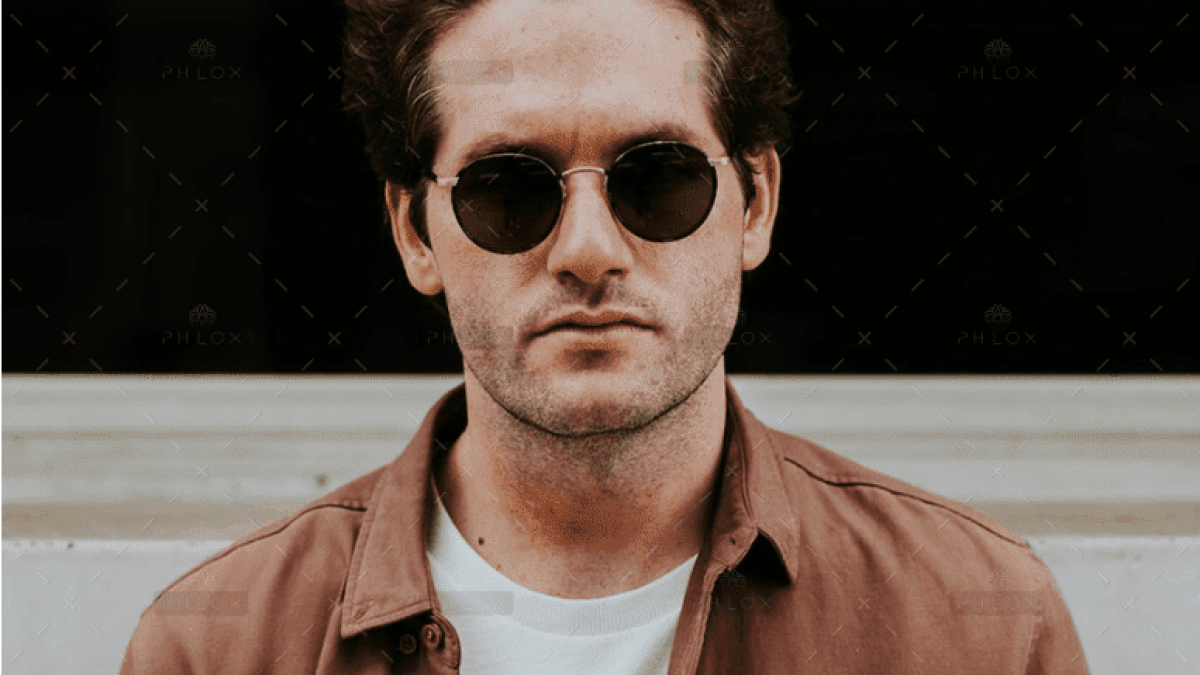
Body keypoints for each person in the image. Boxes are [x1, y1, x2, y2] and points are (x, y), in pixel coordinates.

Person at [119, 0, 1091, 672]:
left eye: (658, 177)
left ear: (756, 203)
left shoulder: (977, 627)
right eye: (508, 188)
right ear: (414, 230)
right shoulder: (219, 650)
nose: (588, 251)